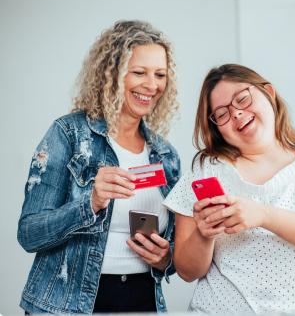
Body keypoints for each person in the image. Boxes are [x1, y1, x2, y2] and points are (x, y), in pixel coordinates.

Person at [163, 64, 295, 314]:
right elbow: (186, 271)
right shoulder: (205, 169)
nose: (237, 114)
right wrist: (204, 235)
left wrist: (262, 214)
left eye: (242, 98)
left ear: (269, 93)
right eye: (222, 114)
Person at [17, 20, 181, 314]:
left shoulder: (166, 154)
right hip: (66, 304)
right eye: (139, 72)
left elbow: (174, 254)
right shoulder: (68, 134)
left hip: (143, 300)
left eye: (160, 75)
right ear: (112, 74)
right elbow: (29, 234)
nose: (152, 85)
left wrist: (166, 259)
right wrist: (89, 203)